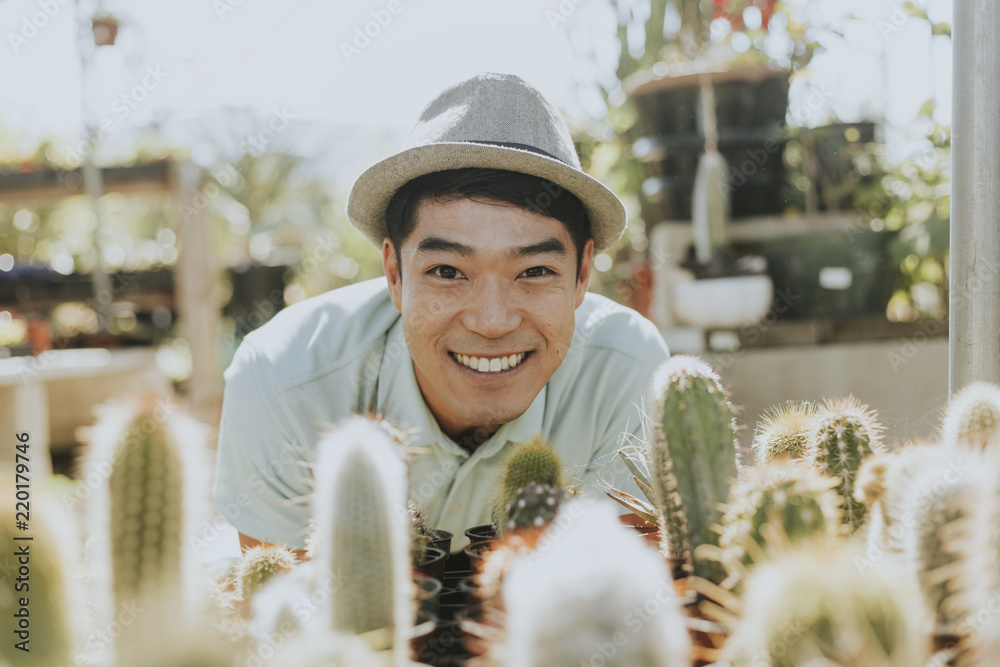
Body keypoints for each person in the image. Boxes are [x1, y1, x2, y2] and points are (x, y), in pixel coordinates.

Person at [212, 72, 670, 554]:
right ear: (394, 274)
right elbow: (285, 619)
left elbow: (613, 609)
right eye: (448, 272)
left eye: (534, 271)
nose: (492, 322)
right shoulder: (285, 382)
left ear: (581, 277)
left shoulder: (625, 372)